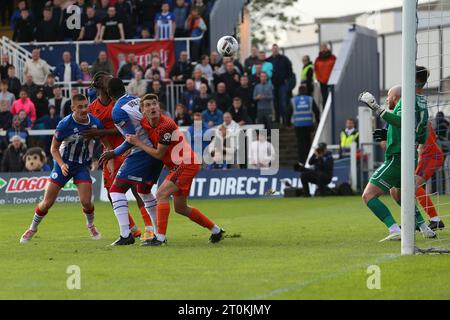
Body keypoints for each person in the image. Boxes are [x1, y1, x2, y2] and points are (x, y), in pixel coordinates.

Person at [125, 93, 225, 245]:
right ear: (142, 110)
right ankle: (216, 231)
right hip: (179, 165)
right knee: (181, 208)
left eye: (154, 104)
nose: (152, 107)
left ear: (159, 106)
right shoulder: (145, 122)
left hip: (185, 163)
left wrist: (138, 142)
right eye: (148, 105)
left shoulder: (166, 126)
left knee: (161, 194)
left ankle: (160, 238)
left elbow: (159, 154)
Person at [359, 67, 436, 241]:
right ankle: (423, 226)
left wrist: (376, 108)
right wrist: (390, 134)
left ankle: (395, 229)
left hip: (397, 157)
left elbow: (402, 121)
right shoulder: (422, 102)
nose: (387, 99)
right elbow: (420, 133)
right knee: (398, 193)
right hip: (409, 155)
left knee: (368, 195)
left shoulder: (406, 99)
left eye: (388, 96)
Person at [19, 94, 106, 244]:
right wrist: (61, 164)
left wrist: (99, 159)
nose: (84, 109)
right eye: (80, 107)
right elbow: (53, 149)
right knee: (47, 203)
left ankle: (91, 225)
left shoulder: (96, 123)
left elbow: (104, 142)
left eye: (86, 106)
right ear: (73, 108)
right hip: (62, 165)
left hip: (81, 166)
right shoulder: (64, 124)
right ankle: (32, 228)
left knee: (86, 202)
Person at [85, 72, 155, 241]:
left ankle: (149, 229)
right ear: (100, 85)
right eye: (104, 77)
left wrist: (104, 137)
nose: (109, 77)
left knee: (134, 188)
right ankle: (132, 229)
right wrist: (108, 151)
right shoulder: (92, 108)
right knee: (111, 192)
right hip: (111, 150)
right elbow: (97, 132)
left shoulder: (117, 105)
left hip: (126, 148)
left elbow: (124, 130)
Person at [99, 79, 163, 246]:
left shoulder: (117, 110)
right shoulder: (136, 99)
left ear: (108, 92)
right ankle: (158, 233)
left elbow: (131, 139)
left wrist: (114, 152)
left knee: (116, 190)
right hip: (156, 149)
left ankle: (125, 234)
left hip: (142, 151)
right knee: (143, 190)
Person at [267, 44, 293, 124]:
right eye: (273, 49)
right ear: (271, 50)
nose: (275, 50)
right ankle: (277, 119)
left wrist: (287, 80)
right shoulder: (268, 60)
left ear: (278, 49)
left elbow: (290, 70)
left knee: (283, 102)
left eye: (276, 49)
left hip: (282, 84)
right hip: (272, 85)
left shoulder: (284, 59)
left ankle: (285, 120)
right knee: (275, 102)